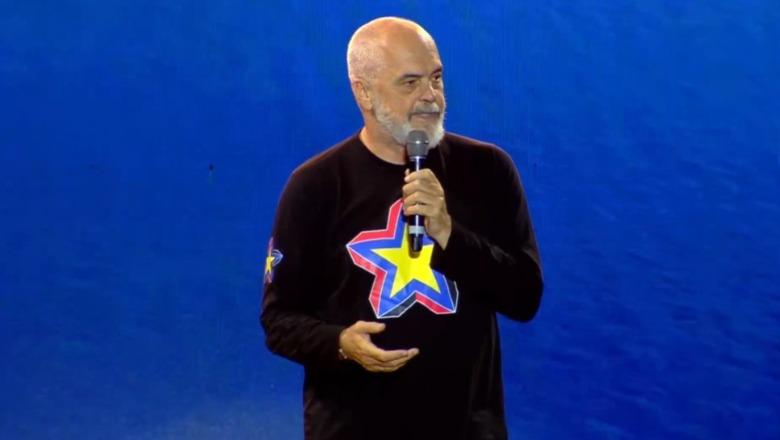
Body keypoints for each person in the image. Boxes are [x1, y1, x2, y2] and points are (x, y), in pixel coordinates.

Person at [261, 16, 543, 440]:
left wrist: (449, 233)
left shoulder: (488, 170)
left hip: (467, 428)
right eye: (410, 83)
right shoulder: (314, 186)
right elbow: (278, 319)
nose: (431, 96)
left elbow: (525, 297)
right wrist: (339, 343)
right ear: (364, 92)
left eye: (436, 78)